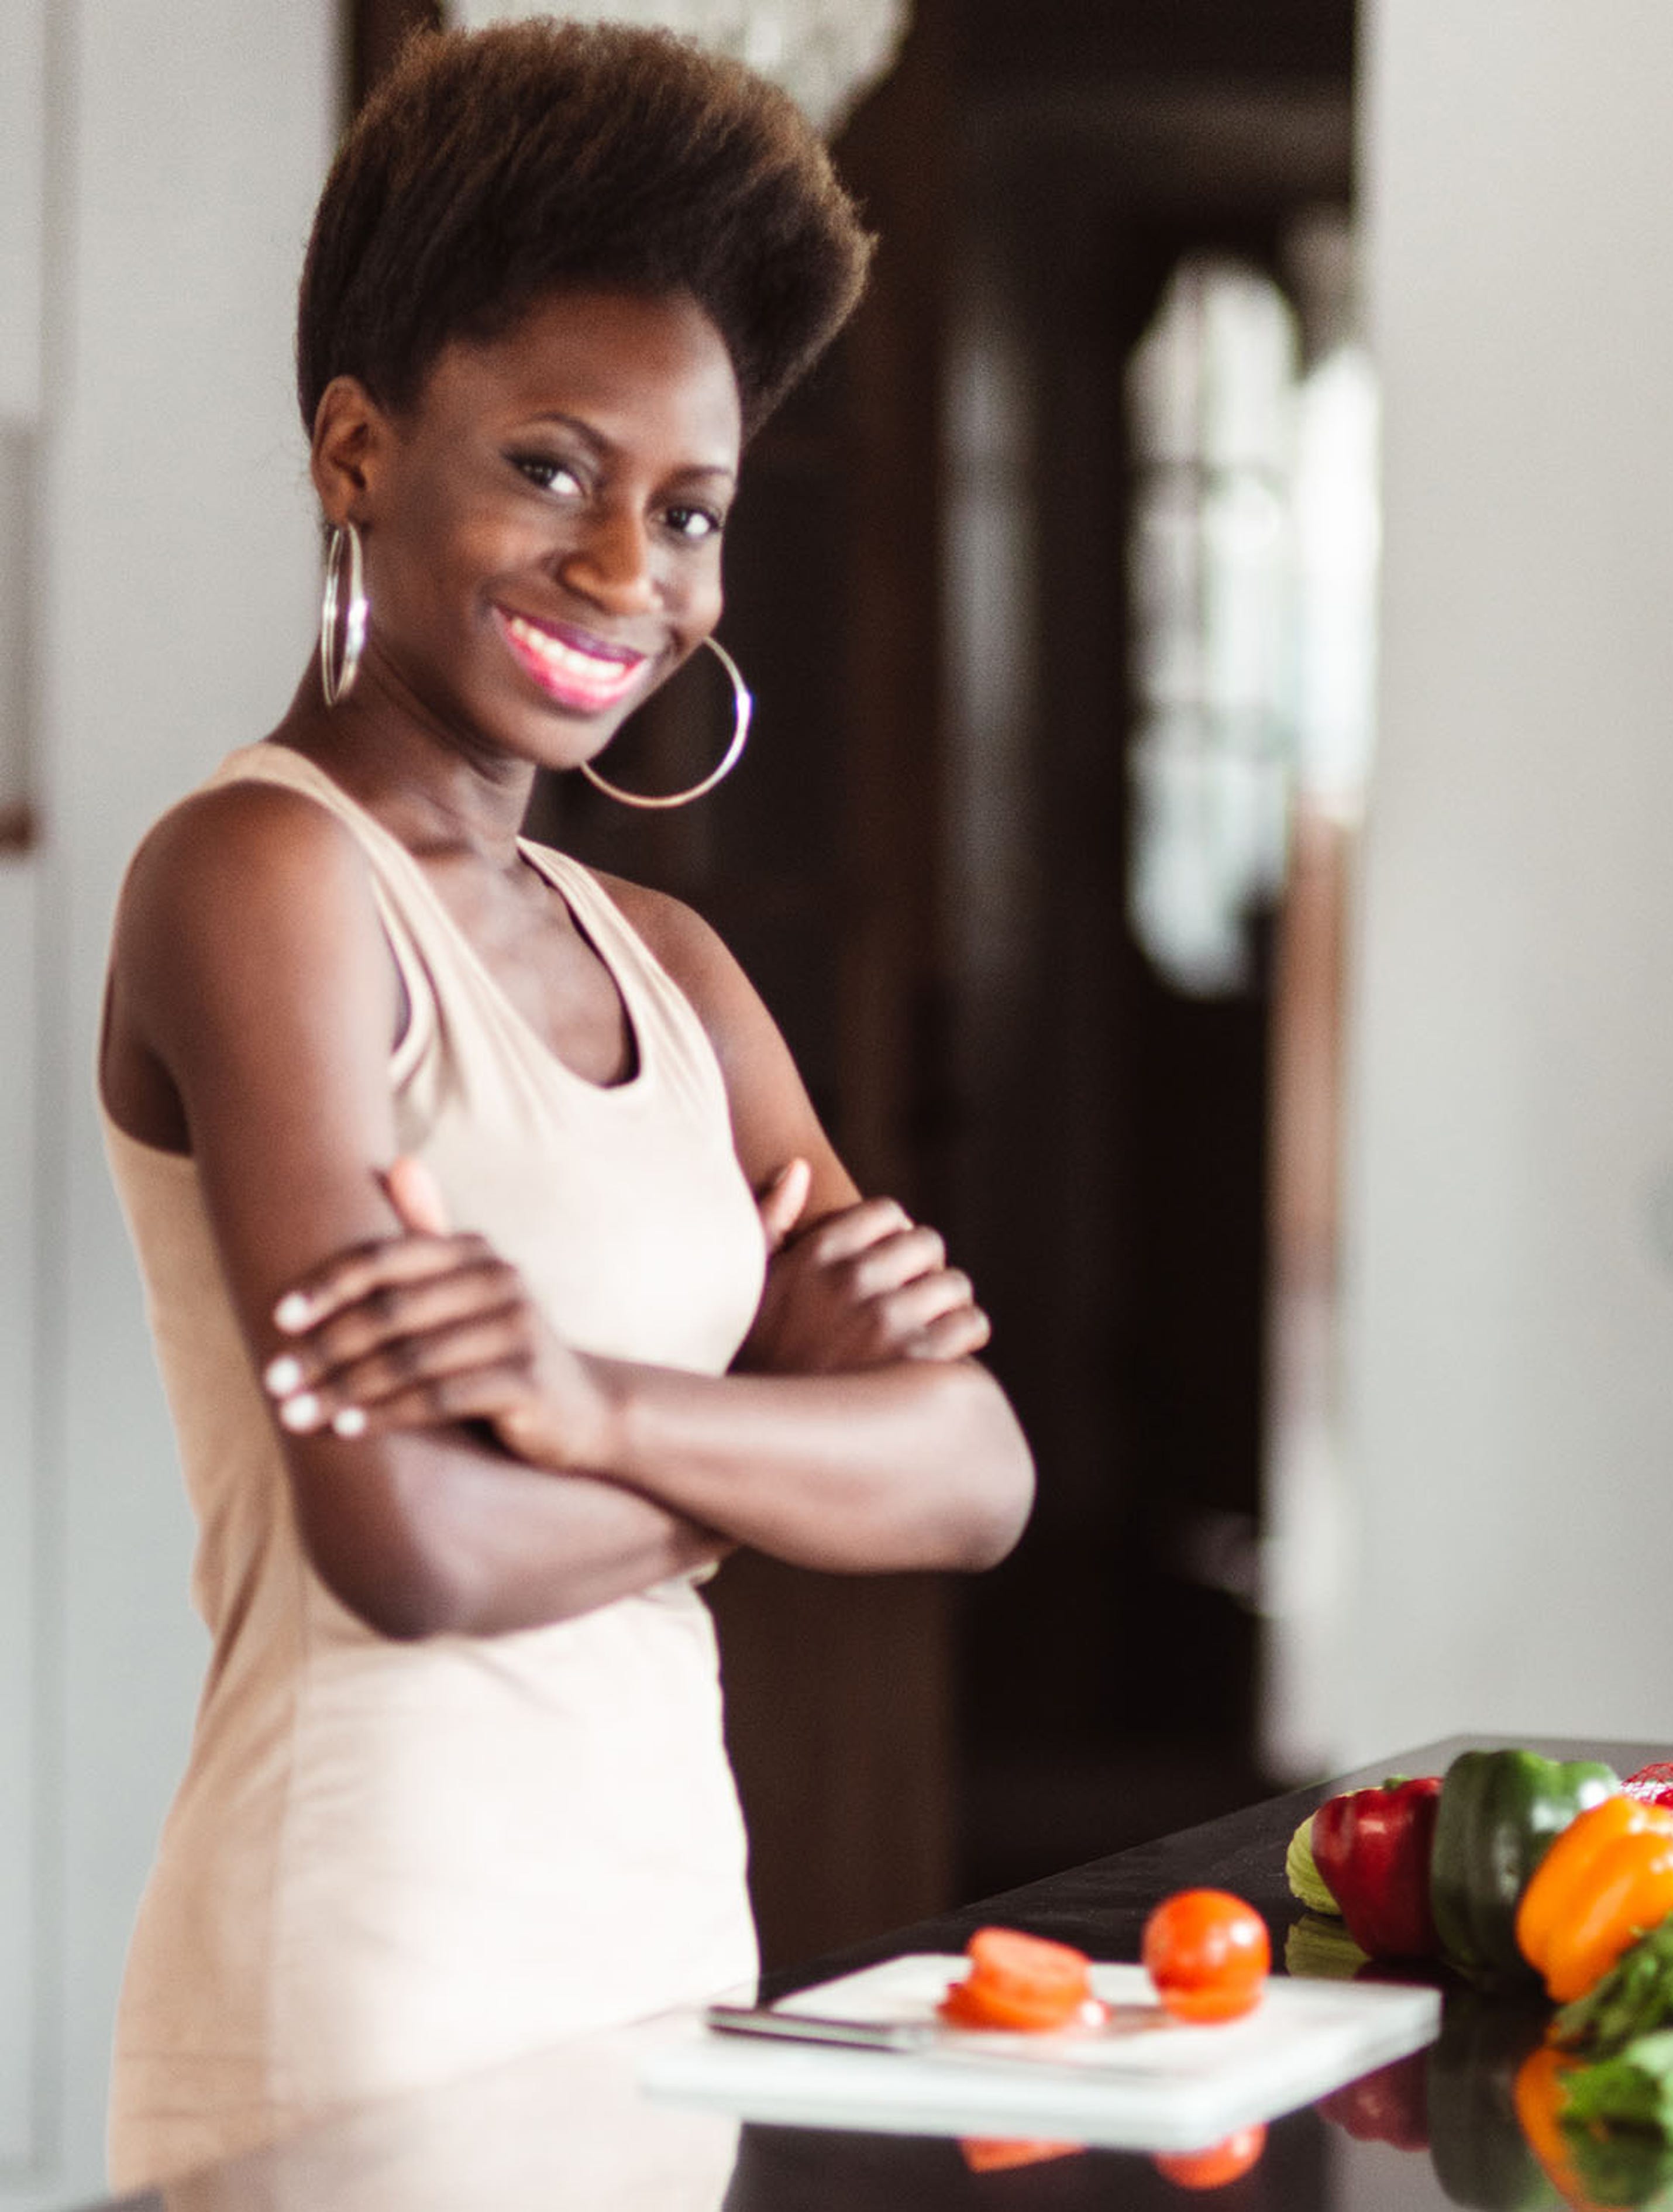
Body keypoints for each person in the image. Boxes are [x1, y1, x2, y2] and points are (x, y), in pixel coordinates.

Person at [95, 22, 1034, 2190]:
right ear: (357, 448)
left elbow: (975, 1470)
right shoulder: (256, 878)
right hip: (367, 1978)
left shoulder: (668, 964)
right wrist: (779, 1447)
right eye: (549, 467)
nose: (631, 569)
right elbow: (408, 1541)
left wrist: (585, 1409)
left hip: (655, 1952)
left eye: (688, 509)